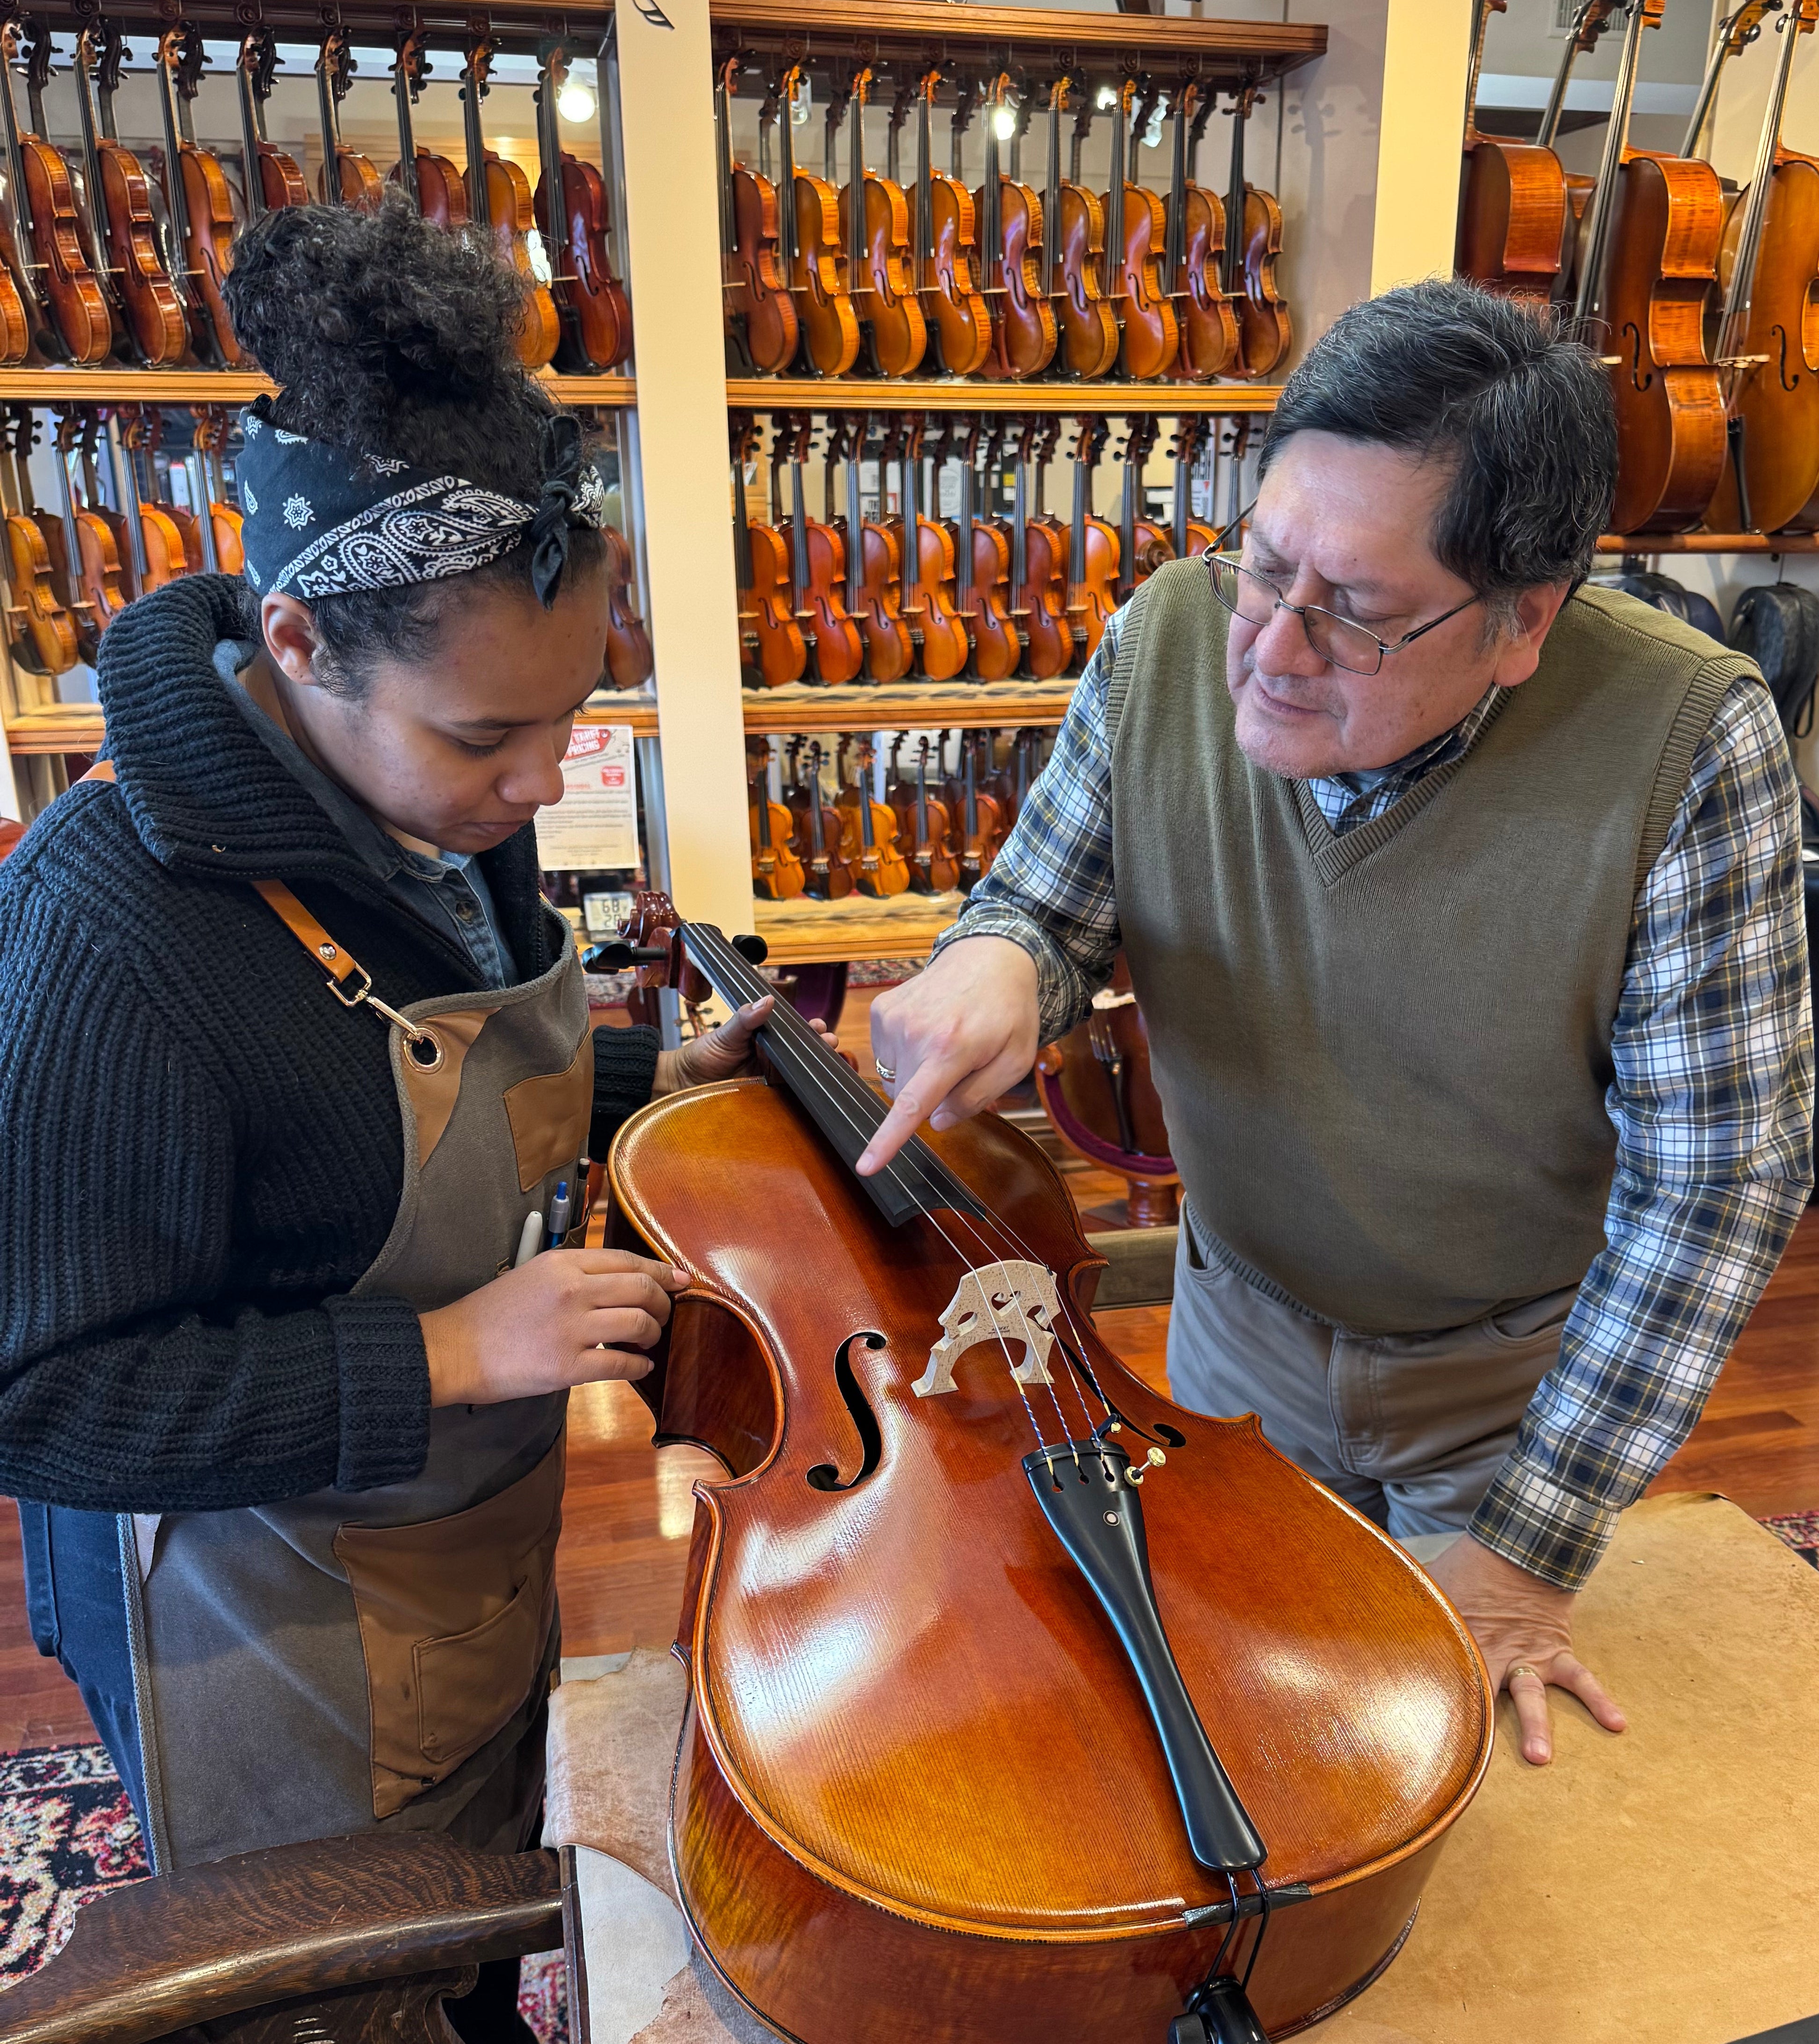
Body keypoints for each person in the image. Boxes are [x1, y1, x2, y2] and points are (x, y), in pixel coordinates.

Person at [0, 200, 807, 2042]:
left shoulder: (444, 802)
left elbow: (380, 1104)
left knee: (444, 1922)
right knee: (312, 1993)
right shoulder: (103, 937)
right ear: (296, 642)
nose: (541, 784)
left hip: (450, 1537)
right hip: (248, 1608)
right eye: (485, 741)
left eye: (574, 717)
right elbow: (37, 1392)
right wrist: (445, 1353)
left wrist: (633, 1085)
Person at [862, 281, 1813, 1768]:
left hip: (1508, 1388)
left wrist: (1529, 1547)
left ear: (1523, 623)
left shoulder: (1690, 739)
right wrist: (1003, 961)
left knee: (1487, 1801)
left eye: (1355, 609)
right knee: (1246, 1733)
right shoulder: (1169, 636)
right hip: (1238, 1338)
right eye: (1264, 566)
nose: (1271, 647)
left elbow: (1715, 1181)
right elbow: (1041, 911)